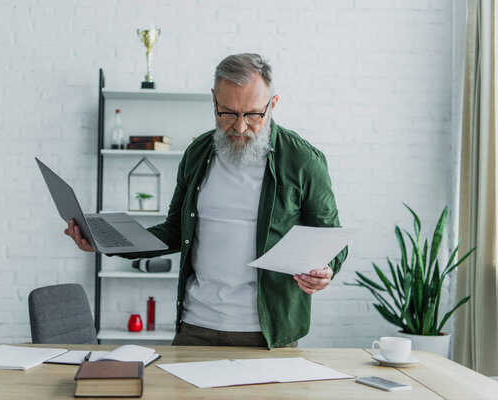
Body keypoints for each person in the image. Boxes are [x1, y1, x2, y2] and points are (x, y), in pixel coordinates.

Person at [65, 53, 348, 348]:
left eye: (253, 115)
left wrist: (325, 269)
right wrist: (109, 242)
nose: (239, 127)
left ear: (272, 104)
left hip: (269, 332)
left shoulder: (304, 161)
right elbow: (174, 230)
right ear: (214, 101)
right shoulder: (196, 154)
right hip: (196, 326)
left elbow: (331, 240)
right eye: (228, 113)